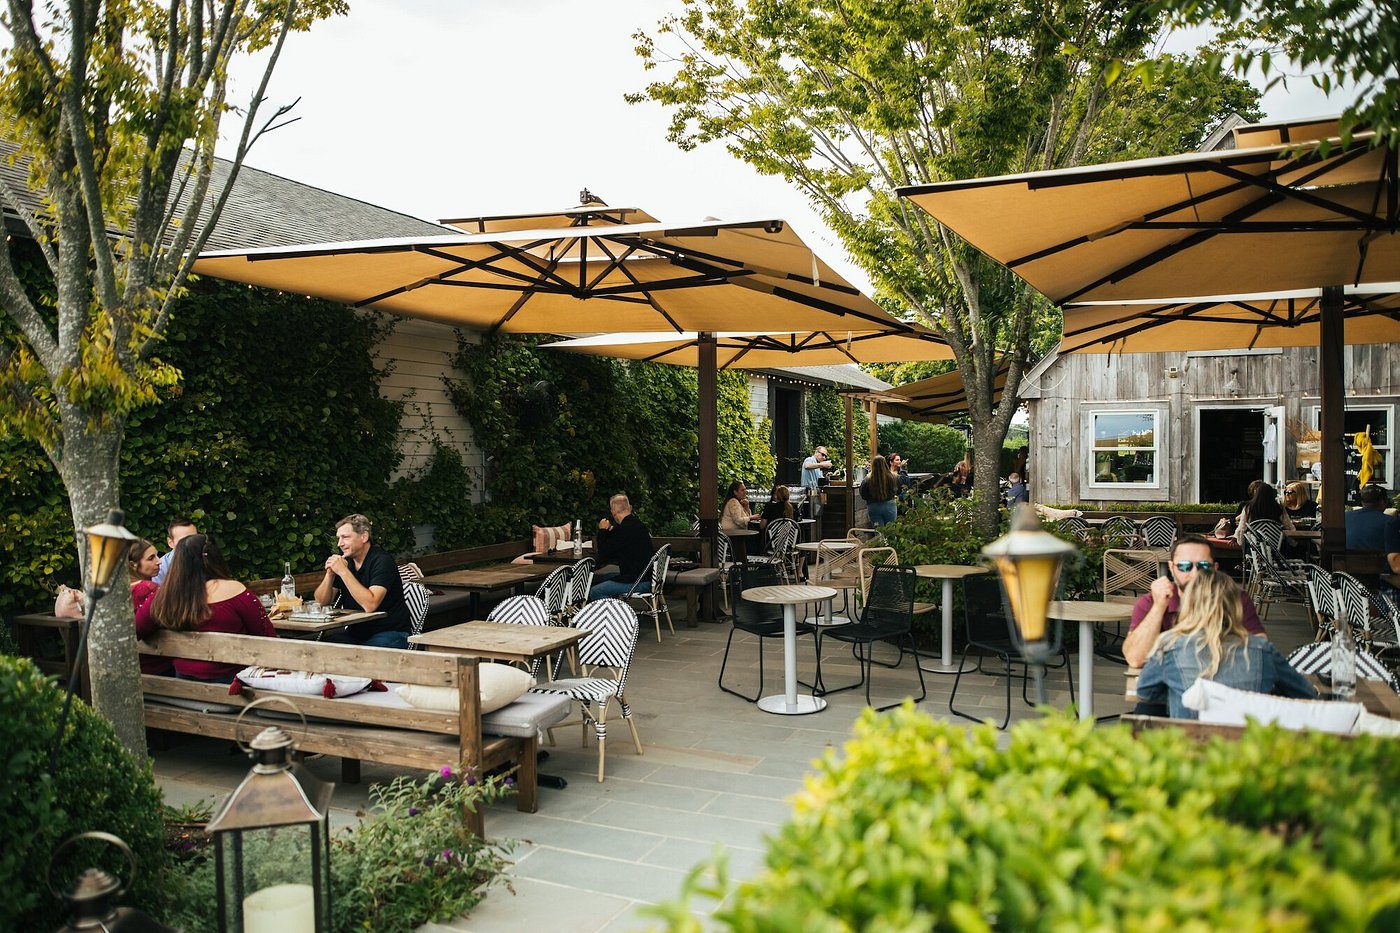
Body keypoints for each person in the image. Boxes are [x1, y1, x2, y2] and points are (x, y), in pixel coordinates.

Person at [1134, 571, 1317, 719]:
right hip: (1249, 755)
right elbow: (1306, 694)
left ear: (1189, 604)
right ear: (1235, 606)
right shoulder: (1262, 650)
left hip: (1188, 754)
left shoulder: (1170, 646)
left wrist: (1186, 694)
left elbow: (1144, 691)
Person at [136, 534, 277, 682]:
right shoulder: (236, 592)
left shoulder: (165, 596)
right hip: (234, 692)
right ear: (215, 557)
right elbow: (268, 639)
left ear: (178, 562)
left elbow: (136, 630)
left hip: (183, 692)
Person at [1122, 534, 1267, 673]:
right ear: (1172, 568)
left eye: (1203, 566)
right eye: (1185, 566)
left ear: (1214, 569)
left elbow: (1261, 650)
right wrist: (1159, 607)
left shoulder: (1234, 598)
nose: (1195, 573)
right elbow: (1135, 659)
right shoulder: (1151, 601)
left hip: (1221, 683)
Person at [311, 513, 411, 648]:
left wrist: (343, 572)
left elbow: (370, 605)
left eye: (345, 537)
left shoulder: (382, 561)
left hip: (390, 632)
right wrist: (330, 575)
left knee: (363, 655)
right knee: (318, 648)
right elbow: (321, 603)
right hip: (356, 634)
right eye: (338, 538)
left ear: (364, 537)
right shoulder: (346, 562)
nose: (340, 544)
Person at [590, 494, 655, 599]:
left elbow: (603, 553)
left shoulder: (623, 529)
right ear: (630, 508)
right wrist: (609, 532)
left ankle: (613, 614)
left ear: (613, 511)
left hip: (637, 581)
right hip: (646, 577)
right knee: (601, 578)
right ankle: (614, 606)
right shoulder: (638, 525)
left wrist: (602, 530)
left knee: (595, 591)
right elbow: (618, 545)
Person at [127, 538, 172, 675]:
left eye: (157, 556)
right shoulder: (149, 589)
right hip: (156, 666)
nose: (159, 561)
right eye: (151, 558)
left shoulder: (116, 591)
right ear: (133, 564)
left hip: (130, 664)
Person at [1232, 481, 1292, 546]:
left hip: (1254, 547)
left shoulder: (1248, 508)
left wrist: (1237, 539)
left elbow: (1242, 527)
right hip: (1276, 546)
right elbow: (1288, 526)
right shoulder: (1279, 508)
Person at [1345, 484, 1392, 551]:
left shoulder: (1344, 518)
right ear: (1383, 501)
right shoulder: (1390, 522)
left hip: (1345, 560)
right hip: (1378, 560)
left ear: (1362, 502)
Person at [152, 517, 197, 584]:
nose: (191, 543)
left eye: (195, 538)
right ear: (171, 543)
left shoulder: (206, 560)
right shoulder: (160, 570)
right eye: (183, 541)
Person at [860, 455, 898, 527]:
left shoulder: (867, 479)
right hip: (889, 505)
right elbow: (896, 490)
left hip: (874, 507)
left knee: (878, 532)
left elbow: (863, 494)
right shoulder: (892, 477)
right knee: (891, 531)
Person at [801, 446, 835, 522]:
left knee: (816, 515)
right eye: (823, 454)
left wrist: (827, 475)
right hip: (807, 492)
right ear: (816, 452)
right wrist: (823, 464)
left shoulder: (817, 465)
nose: (824, 457)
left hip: (815, 493)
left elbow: (819, 479)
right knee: (810, 515)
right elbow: (807, 466)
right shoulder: (809, 459)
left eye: (825, 456)